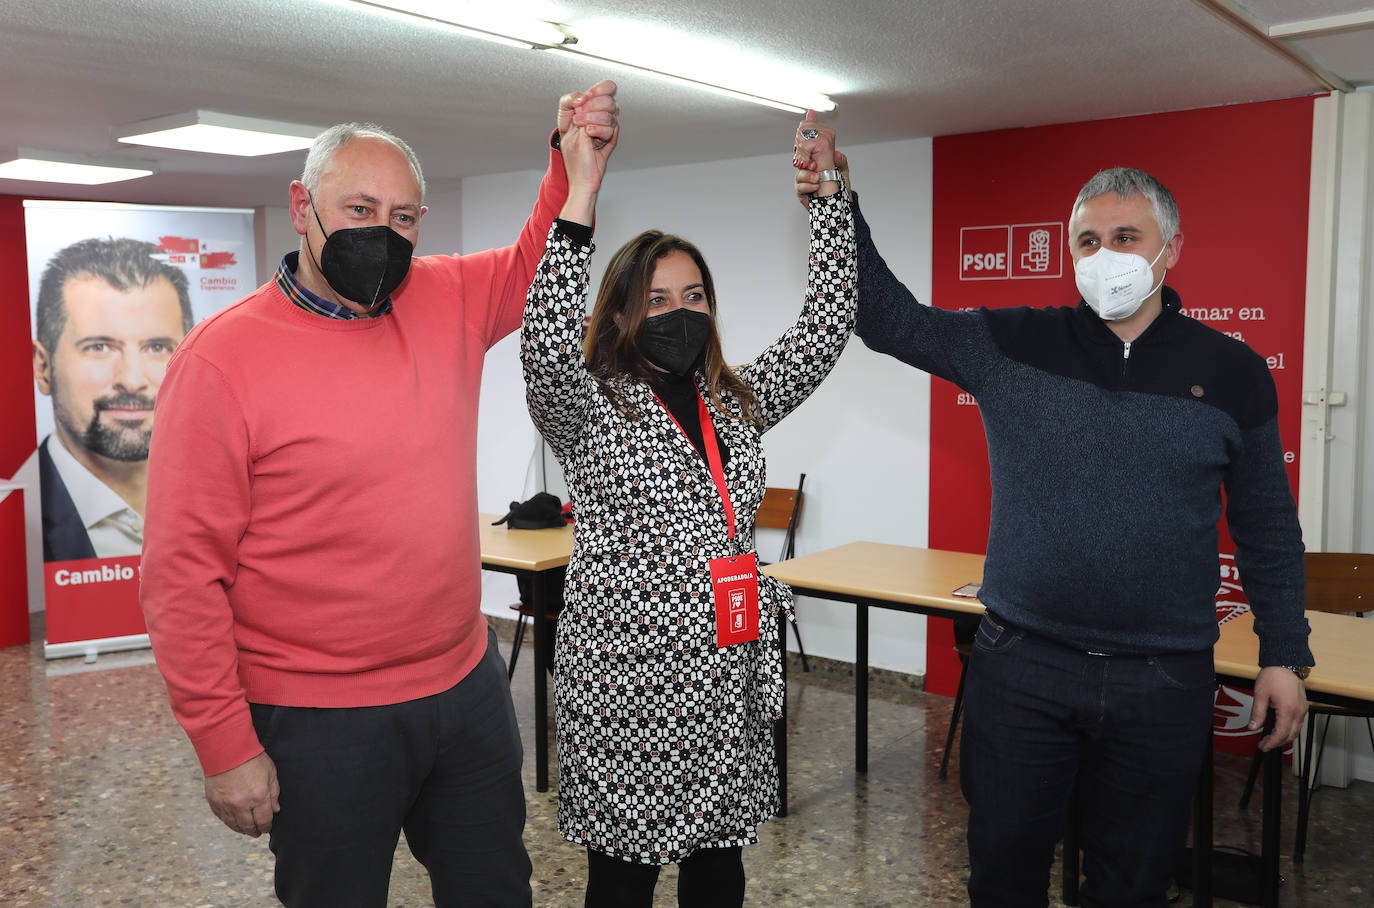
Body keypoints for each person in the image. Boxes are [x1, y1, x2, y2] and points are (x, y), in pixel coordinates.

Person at [139, 81, 618, 908]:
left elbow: (538, 260)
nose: (383, 234)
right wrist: (224, 745)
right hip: (318, 718)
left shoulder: (446, 296)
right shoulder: (222, 361)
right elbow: (182, 575)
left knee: (498, 890)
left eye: (404, 218)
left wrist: (573, 168)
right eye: (359, 209)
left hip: (464, 688)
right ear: (301, 206)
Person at [798, 162, 1313, 905]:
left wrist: (1284, 654)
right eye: (1087, 240)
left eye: (1125, 237)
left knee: (1132, 882)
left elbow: (1266, 522)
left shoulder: (1232, 371)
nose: (1105, 256)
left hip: (1163, 677)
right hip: (1023, 666)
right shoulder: (1011, 343)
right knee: (1004, 871)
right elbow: (888, 319)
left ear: (1171, 250)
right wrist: (837, 205)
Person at [521, 112, 853, 907]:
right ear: (623, 311)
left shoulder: (733, 402)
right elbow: (541, 345)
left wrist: (830, 199)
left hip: (723, 677)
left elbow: (827, 325)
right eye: (657, 298)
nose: (678, 311)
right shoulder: (588, 404)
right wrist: (581, 195)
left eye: (694, 295)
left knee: (718, 870)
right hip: (627, 685)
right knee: (624, 878)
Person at [31, 236, 194, 562]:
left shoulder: (221, 495)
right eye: (99, 347)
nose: (132, 380)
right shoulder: (20, 516)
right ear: (44, 367)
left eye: (157, 347)